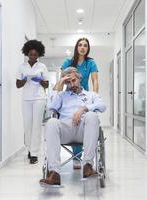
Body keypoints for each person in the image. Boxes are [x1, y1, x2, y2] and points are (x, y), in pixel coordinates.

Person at [40, 67, 106, 186]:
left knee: (91, 115)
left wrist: (84, 109)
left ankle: (88, 166)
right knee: (51, 122)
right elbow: (51, 106)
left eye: (73, 80)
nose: (71, 84)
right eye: (68, 82)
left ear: (79, 79)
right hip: (65, 131)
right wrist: (59, 83)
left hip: (84, 131)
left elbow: (102, 106)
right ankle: (54, 173)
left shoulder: (91, 95)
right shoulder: (61, 95)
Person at [60, 37, 99, 169]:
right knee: (72, 120)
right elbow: (62, 79)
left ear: (88, 49)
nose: (83, 47)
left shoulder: (91, 63)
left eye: (85, 46)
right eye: (80, 45)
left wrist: (94, 96)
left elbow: (95, 81)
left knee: (84, 122)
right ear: (76, 47)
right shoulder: (68, 62)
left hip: (84, 95)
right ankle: (76, 157)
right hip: (69, 95)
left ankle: (84, 156)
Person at [16, 40, 49, 164]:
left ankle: (34, 153)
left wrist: (39, 80)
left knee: (36, 126)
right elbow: (18, 85)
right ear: (27, 53)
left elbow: (46, 84)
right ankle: (29, 149)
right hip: (26, 99)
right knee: (27, 125)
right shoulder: (22, 67)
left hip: (39, 98)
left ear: (39, 54)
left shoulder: (42, 67)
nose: (33, 57)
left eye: (35, 55)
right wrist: (25, 80)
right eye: (31, 54)